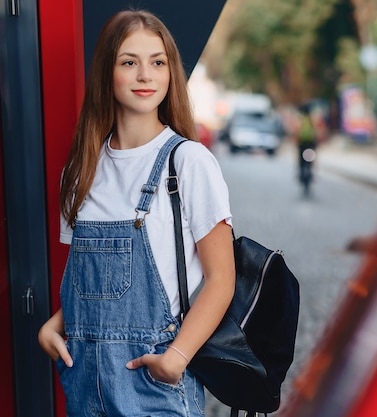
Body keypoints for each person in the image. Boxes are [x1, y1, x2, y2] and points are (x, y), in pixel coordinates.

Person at [38, 10, 235, 416]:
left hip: (153, 381)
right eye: (129, 62)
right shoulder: (79, 171)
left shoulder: (188, 163)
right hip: (83, 381)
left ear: (170, 74)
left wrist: (176, 358)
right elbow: (91, 287)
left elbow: (221, 279)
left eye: (157, 62)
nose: (145, 75)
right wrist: (54, 326)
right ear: (106, 73)